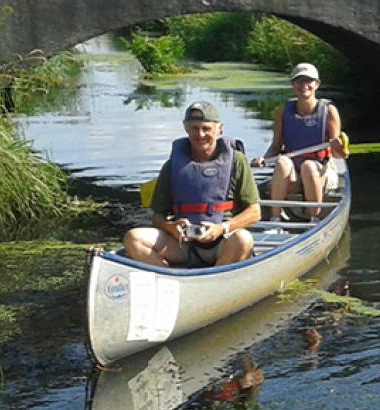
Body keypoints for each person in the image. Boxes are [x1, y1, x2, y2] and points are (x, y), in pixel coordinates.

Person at [123, 101, 261, 268]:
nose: (200, 134)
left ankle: (215, 280)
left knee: (243, 239)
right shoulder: (172, 166)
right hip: (183, 245)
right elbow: (157, 217)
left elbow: (255, 212)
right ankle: (169, 277)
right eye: (194, 128)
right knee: (133, 238)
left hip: (223, 242)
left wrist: (222, 228)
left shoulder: (237, 161)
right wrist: (171, 227)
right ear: (186, 128)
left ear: (219, 128)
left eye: (206, 128)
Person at [252, 63, 347, 220]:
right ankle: (275, 219)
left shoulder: (329, 111)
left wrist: (340, 148)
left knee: (308, 167)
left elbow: (338, 155)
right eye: (299, 81)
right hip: (293, 172)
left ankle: (314, 218)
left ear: (317, 84)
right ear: (293, 84)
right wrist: (264, 159)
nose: (304, 85)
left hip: (322, 170)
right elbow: (275, 146)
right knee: (282, 161)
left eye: (309, 81)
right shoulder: (282, 111)